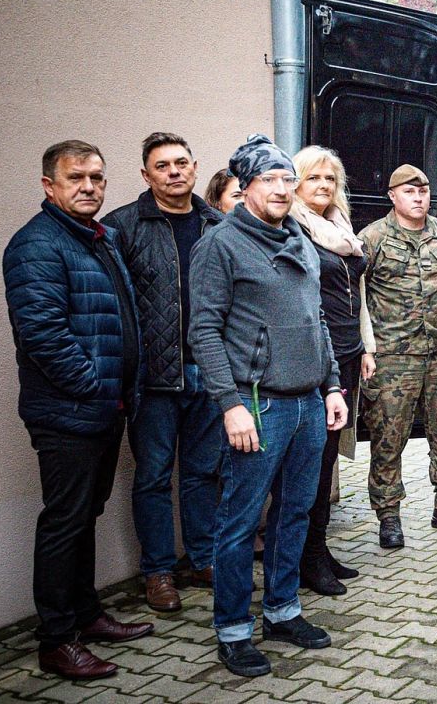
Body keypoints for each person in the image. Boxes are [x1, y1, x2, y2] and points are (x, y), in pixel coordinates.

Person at [188, 134, 349, 677]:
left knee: (295, 513)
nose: (282, 189)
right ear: (246, 187)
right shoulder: (220, 244)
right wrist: (230, 405)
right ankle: (233, 631)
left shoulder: (301, 240)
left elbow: (317, 322)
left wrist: (331, 386)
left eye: (287, 179)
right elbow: (204, 331)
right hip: (257, 406)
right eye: (269, 180)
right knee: (237, 524)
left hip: (307, 404)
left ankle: (282, 610)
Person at [3, 140, 154, 680]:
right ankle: (56, 640)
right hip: (68, 413)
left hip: (105, 408)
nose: (89, 186)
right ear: (50, 186)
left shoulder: (102, 238)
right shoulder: (37, 245)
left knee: (85, 515)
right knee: (65, 521)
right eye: (75, 178)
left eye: (96, 177)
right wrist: (93, 388)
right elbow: (44, 335)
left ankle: (87, 615)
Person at [102, 133, 223, 613]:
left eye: (180, 163)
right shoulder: (122, 227)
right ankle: (158, 573)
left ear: (195, 168)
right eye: (162, 166)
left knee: (203, 474)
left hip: (210, 375)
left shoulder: (217, 225)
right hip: (153, 381)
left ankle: (204, 557)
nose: (173, 172)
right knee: (153, 477)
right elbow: (114, 307)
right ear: (146, 175)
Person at [359, 164, 437, 544]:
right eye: (409, 192)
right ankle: (389, 515)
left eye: (423, 191)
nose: (418, 198)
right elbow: (357, 295)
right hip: (393, 356)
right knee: (388, 436)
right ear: (392, 196)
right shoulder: (371, 239)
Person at [289, 146, 372, 592]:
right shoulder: (294, 229)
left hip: (345, 355)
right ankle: (306, 558)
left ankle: (317, 548)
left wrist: (365, 347)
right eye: (313, 178)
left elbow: (356, 294)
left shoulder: (341, 228)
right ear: (296, 183)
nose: (323, 186)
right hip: (315, 360)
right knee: (313, 464)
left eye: (330, 179)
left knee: (327, 462)